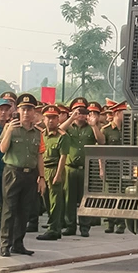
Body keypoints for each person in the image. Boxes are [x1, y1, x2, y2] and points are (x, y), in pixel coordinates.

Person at [0, 93, 41, 257]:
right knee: (9, 210)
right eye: (24, 109)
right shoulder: (11, 128)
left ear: (34, 112)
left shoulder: (37, 132)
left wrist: (41, 177)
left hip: (30, 174)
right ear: (18, 110)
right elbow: (2, 148)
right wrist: (9, 130)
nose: (27, 112)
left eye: (30, 109)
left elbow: (39, 155)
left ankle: (18, 243)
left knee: (24, 210)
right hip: (13, 172)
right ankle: (4, 244)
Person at [55, 100, 104, 237]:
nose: (81, 115)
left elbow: (101, 141)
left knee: (85, 199)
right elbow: (59, 131)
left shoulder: (91, 127)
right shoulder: (69, 127)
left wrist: (94, 126)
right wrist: (71, 118)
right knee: (69, 199)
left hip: (86, 168)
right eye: (78, 111)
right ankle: (70, 226)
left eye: (83, 112)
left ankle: (84, 227)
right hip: (70, 167)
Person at [37, 104, 67, 240]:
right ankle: (54, 226)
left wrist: (58, 174)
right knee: (46, 200)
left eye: (54, 118)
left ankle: (53, 229)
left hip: (55, 169)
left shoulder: (62, 136)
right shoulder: (41, 135)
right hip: (44, 169)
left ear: (58, 119)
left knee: (55, 201)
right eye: (48, 118)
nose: (51, 120)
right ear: (44, 119)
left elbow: (63, 157)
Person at [100, 102, 127, 233]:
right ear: (117, 113)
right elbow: (101, 151)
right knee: (109, 195)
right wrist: (101, 168)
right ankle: (109, 223)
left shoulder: (129, 128)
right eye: (123, 112)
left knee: (123, 194)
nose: (125, 115)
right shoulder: (106, 130)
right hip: (111, 167)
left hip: (125, 167)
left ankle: (121, 223)